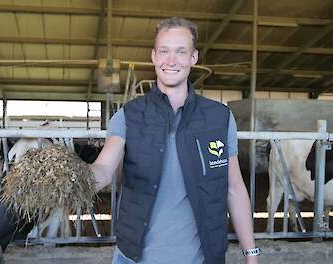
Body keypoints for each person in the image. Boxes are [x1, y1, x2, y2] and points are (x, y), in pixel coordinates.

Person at [89, 16, 259, 264]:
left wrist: (251, 254)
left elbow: (234, 188)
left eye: (181, 52)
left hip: (201, 259)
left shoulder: (218, 118)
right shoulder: (129, 115)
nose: (171, 60)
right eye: (164, 51)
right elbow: (103, 169)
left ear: (193, 58)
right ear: (154, 56)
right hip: (133, 258)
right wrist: (74, 178)